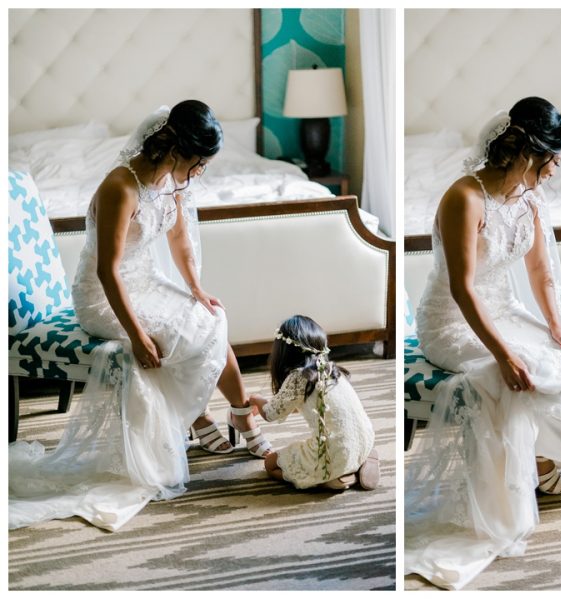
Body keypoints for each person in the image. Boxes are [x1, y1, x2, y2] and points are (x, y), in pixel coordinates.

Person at [404, 97, 561, 590]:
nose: (557, 169)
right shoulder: (464, 198)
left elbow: (540, 272)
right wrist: (503, 352)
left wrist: (558, 326)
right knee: (514, 377)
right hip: (452, 320)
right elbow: (462, 288)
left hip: (502, 311)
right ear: (528, 153)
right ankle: (538, 472)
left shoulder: (531, 200)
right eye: (553, 158)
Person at [9, 100, 270, 532]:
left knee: (212, 319)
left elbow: (180, 238)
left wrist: (195, 289)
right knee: (179, 337)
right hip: (102, 296)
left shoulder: (170, 182)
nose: (200, 173)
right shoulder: (121, 187)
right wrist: (135, 335)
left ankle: (232, 411)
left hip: (144, 281)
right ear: (178, 150)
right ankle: (205, 415)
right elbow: (106, 270)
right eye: (200, 164)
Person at [249, 315, 379, 491]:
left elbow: (271, 413)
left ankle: (331, 479)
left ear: (282, 353)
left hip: (335, 454)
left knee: (270, 464)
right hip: (366, 438)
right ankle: (360, 459)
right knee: (342, 440)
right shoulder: (332, 371)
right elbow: (310, 406)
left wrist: (256, 399)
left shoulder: (298, 378)